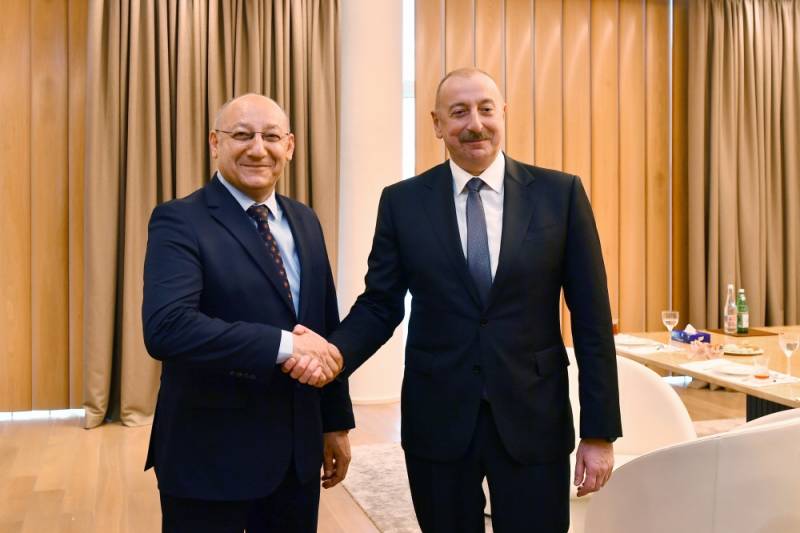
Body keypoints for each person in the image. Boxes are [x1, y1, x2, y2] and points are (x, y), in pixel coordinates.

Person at [320, 68, 622, 532]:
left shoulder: (560, 195)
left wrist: (599, 432)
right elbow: (381, 304)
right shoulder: (402, 202)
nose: (475, 124)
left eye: (485, 109)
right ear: (437, 123)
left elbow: (592, 319)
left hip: (534, 417)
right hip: (437, 417)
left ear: (503, 114)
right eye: (459, 112)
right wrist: (332, 355)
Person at [142, 93, 352, 533]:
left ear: (289, 146)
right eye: (242, 135)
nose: (258, 149)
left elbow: (324, 326)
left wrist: (335, 424)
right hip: (209, 458)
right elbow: (167, 327)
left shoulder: (305, 220)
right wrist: (285, 346)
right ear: (215, 143)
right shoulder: (179, 220)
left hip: (296, 459)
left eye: (271, 137)